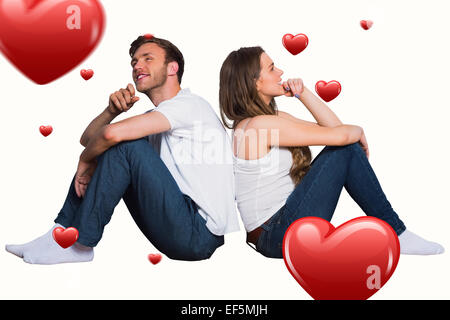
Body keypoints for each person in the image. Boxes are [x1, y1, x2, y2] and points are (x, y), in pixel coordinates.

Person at [5, 35, 239, 264]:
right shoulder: (160, 117)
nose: (138, 66)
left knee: (123, 143)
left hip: (198, 232)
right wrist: (111, 112)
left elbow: (108, 136)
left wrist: (84, 162)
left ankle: (81, 245)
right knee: (114, 143)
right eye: (134, 62)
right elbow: (89, 139)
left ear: (172, 68)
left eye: (148, 58)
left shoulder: (189, 105)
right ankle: (60, 234)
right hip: (181, 226)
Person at [218, 46, 444, 258]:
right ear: (255, 82)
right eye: (271, 68)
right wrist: (358, 130)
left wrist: (303, 93)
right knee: (345, 149)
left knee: (346, 146)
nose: (281, 72)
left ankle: (395, 231)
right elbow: (342, 136)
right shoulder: (260, 126)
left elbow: (336, 129)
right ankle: (395, 231)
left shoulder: (266, 121)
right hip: (275, 233)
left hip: (274, 231)